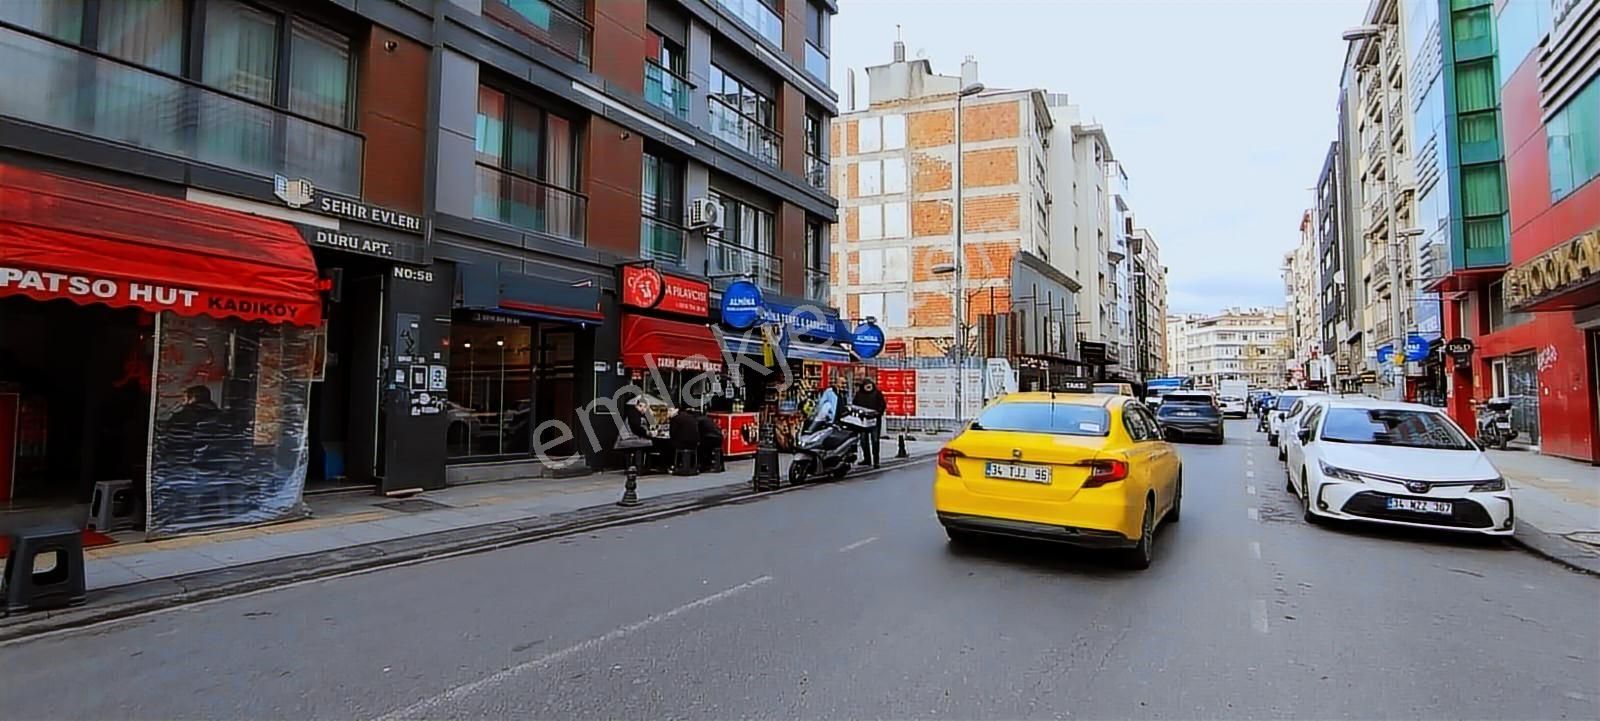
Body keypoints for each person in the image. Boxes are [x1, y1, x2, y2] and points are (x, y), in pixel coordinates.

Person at [854, 378, 887, 468]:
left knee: (875, 441)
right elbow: (855, 405)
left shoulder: (877, 393)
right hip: (862, 421)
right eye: (866, 386)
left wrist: (878, 413)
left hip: (874, 421)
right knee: (864, 441)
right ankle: (867, 459)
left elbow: (883, 405)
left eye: (870, 386)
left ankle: (876, 460)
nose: (868, 387)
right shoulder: (859, 394)